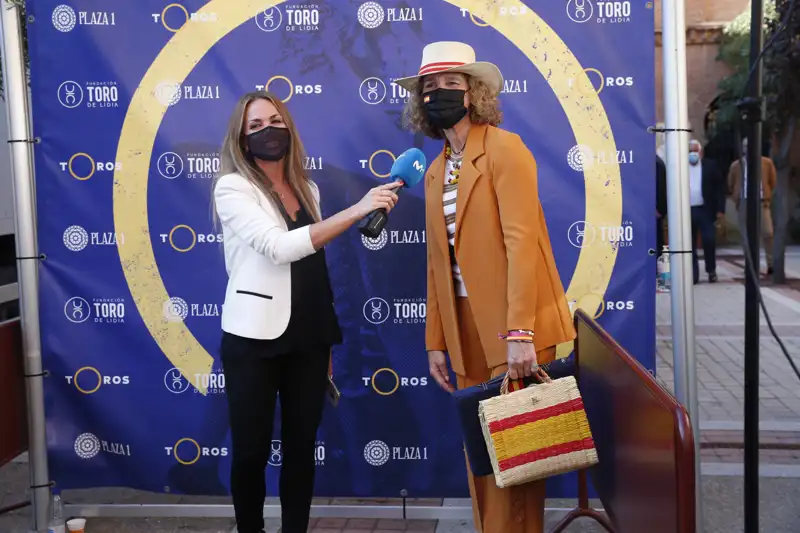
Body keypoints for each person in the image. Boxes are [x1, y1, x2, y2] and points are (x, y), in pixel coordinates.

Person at [397, 41, 576, 533]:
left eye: (450, 84)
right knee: (485, 454)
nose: (438, 93)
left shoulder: (504, 148)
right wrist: (435, 340)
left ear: (473, 93)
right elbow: (438, 265)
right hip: (463, 329)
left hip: (512, 326)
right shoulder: (434, 171)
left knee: (518, 457)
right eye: (429, 87)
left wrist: (520, 332)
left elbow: (524, 245)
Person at [212, 91, 402, 533]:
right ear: (241, 139)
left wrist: (324, 337)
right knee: (251, 452)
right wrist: (358, 210)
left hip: (309, 338)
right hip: (252, 340)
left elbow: (315, 267)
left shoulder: (308, 188)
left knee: (301, 449)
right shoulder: (232, 187)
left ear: (289, 127)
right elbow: (279, 248)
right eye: (255, 126)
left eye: (273, 121)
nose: (267, 131)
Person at [728, 137, 777, 275]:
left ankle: (770, 264)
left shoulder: (767, 163)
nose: (748, 148)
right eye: (745, 146)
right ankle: (750, 264)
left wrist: (767, 195)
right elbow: (731, 182)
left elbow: (772, 181)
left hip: (761, 202)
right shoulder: (737, 165)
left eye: (750, 145)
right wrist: (737, 197)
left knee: (768, 233)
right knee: (746, 235)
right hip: (744, 201)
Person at [687, 139, 725, 284]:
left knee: (709, 240)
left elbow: (719, 189)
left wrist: (720, 209)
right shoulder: (681, 167)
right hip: (687, 210)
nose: (693, 154)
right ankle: (693, 274)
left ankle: (711, 270)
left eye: (695, 151)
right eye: (690, 151)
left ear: (701, 152)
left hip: (706, 210)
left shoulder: (711, 166)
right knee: (689, 244)